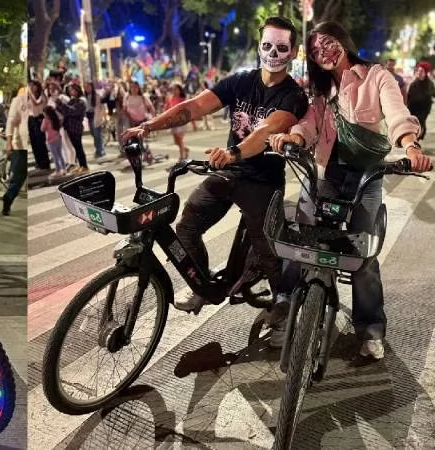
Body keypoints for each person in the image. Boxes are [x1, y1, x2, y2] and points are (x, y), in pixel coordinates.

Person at [123, 16, 309, 315]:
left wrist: (233, 152)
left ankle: (283, 307)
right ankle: (202, 286)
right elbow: (194, 106)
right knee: (186, 228)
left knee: (269, 250)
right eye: (267, 46)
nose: (273, 54)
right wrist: (149, 125)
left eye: (282, 47)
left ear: (294, 51)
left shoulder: (294, 95)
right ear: (259, 47)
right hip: (228, 172)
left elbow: (265, 133)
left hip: (262, 181)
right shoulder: (240, 81)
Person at [269, 22, 431, 359]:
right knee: (300, 235)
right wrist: (295, 138)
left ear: (343, 41)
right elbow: (310, 123)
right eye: (315, 50)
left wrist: (411, 147)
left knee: (362, 254)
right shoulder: (322, 91)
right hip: (326, 175)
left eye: (327, 42)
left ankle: (370, 329)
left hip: (366, 178)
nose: (323, 51)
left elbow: (397, 112)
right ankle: (284, 305)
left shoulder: (376, 76)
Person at [2, 86, 29, 215]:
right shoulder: (19, 100)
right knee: (18, 179)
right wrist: (9, 143)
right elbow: (11, 122)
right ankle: (8, 199)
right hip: (21, 146)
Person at [54, 84, 88, 173]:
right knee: (76, 147)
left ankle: (84, 165)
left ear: (77, 90)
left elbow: (72, 111)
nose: (71, 92)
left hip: (76, 127)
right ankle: (80, 165)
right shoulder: (73, 100)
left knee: (78, 147)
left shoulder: (81, 101)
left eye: (72, 90)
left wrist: (62, 104)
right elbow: (64, 111)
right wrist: (58, 104)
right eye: (70, 90)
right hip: (69, 126)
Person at [407, 61, 435, 140]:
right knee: (416, 126)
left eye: (421, 71)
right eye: (418, 71)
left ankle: (417, 138)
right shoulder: (413, 84)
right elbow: (409, 98)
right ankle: (416, 139)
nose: (419, 73)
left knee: (421, 123)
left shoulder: (430, 84)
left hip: (424, 109)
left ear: (425, 73)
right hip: (414, 109)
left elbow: (433, 93)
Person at [27, 80, 50, 171]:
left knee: (41, 142)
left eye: (33, 86)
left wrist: (29, 93)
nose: (32, 88)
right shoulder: (30, 97)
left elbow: (36, 103)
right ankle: (39, 162)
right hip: (32, 119)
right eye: (30, 86)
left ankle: (44, 163)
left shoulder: (42, 96)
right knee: (34, 143)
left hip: (40, 118)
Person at [164, 83, 189, 160]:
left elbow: (188, 110)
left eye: (176, 89)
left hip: (181, 121)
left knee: (179, 138)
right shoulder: (170, 98)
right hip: (173, 122)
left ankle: (182, 157)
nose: (174, 91)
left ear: (180, 90)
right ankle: (185, 149)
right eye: (173, 89)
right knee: (176, 141)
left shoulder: (183, 99)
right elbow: (166, 108)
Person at [84, 81, 106, 158]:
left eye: (88, 87)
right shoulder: (85, 96)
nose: (87, 88)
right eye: (86, 87)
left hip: (96, 116)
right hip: (89, 116)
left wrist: (102, 116)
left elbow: (102, 106)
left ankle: (100, 150)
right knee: (93, 133)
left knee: (97, 134)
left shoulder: (97, 95)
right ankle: (99, 148)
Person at [42, 105, 65, 177]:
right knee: (60, 155)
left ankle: (57, 170)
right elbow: (62, 118)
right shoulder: (56, 119)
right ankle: (63, 169)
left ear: (46, 113)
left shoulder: (45, 120)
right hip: (58, 138)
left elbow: (42, 129)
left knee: (55, 156)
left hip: (50, 140)